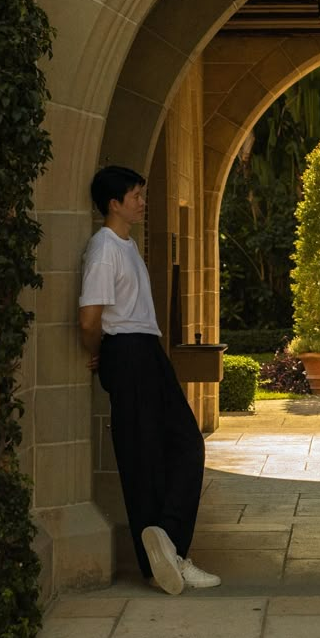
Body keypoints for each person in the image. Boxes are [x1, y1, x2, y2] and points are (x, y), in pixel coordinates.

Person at [79, 165, 221, 595]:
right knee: (143, 459)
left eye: (142, 193)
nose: (142, 201)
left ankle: (169, 542)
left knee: (185, 444)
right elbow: (89, 318)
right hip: (129, 352)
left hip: (147, 352)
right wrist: (101, 354)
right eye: (136, 196)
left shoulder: (127, 245)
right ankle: (162, 562)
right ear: (114, 204)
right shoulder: (104, 249)